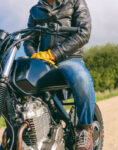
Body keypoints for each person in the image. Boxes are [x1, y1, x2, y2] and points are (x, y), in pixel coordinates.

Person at [24, 0, 95, 149]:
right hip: (44, 62)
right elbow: (29, 40)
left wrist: (53, 54)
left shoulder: (75, 2)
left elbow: (84, 32)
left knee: (80, 77)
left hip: (69, 59)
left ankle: (84, 129)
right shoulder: (35, 10)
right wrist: (33, 57)